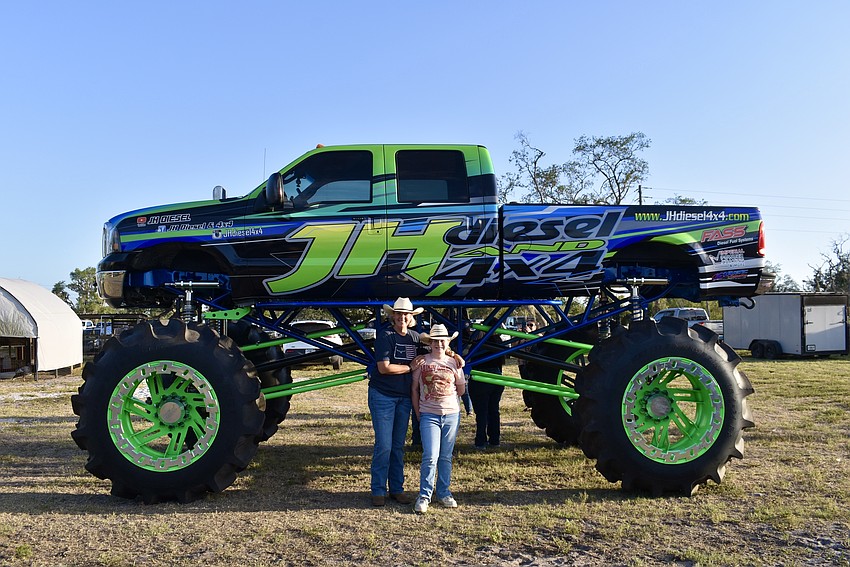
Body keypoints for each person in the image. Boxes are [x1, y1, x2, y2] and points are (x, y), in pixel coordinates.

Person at [368, 297, 424, 507]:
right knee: (384, 444)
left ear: (411, 317)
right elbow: (384, 368)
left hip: (404, 398)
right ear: (392, 316)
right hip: (383, 395)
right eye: (398, 314)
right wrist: (410, 367)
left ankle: (397, 488)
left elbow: (436, 347)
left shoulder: (416, 338)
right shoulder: (386, 336)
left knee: (397, 445)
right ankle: (378, 489)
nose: (402, 318)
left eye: (405, 315)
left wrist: (454, 355)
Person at [411, 324, 465, 514]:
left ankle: (444, 492)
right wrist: (419, 413)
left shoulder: (454, 363)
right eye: (436, 341)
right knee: (430, 456)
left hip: (451, 414)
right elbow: (415, 389)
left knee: (445, 456)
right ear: (430, 343)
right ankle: (424, 495)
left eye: (442, 340)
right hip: (429, 414)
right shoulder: (422, 362)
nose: (439, 344)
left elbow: (461, 388)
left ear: (447, 343)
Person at [467, 328, 506, 449]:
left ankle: (480, 441)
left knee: (481, 412)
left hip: (481, 379)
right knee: (493, 410)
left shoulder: (478, 343)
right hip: (497, 378)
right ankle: (495, 440)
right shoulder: (499, 342)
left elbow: (470, 359)